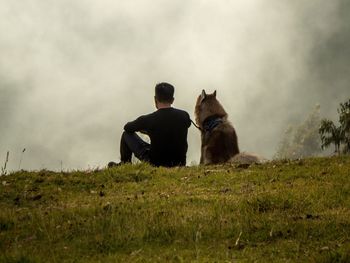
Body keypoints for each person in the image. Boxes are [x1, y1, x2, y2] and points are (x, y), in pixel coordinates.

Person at [108, 82, 191, 167]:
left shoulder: (148, 119)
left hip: (155, 163)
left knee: (126, 135)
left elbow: (127, 127)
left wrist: (146, 130)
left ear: (155, 99)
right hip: (179, 163)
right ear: (173, 99)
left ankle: (125, 164)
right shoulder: (184, 115)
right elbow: (181, 126)